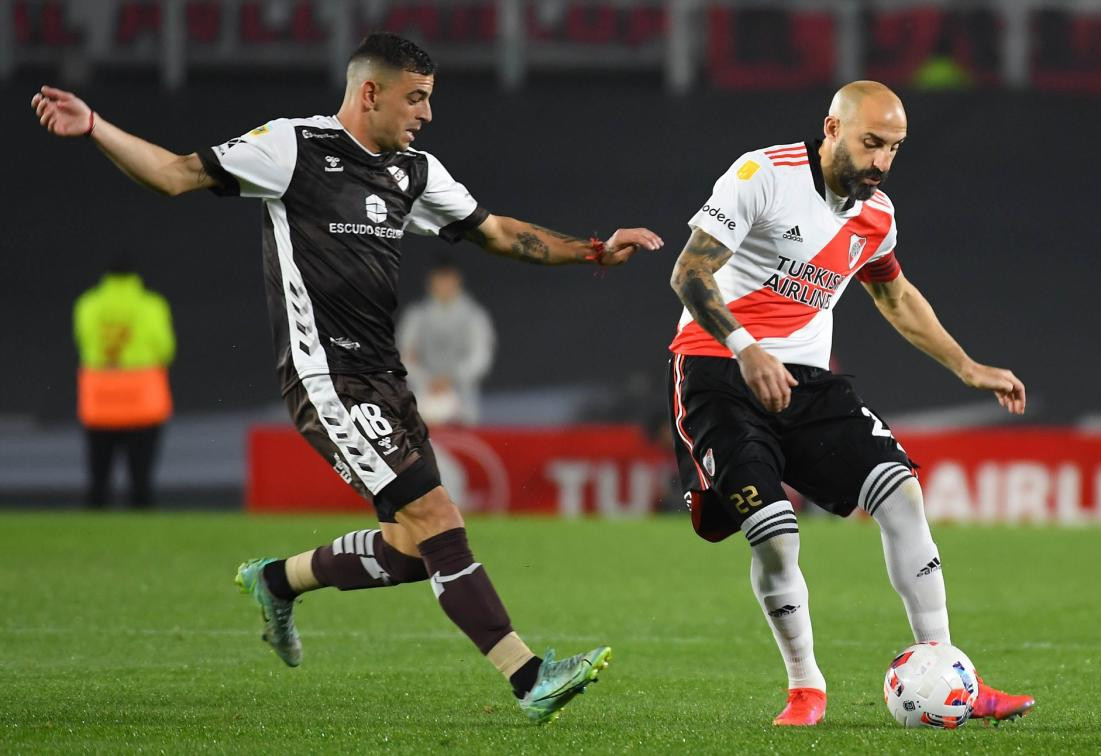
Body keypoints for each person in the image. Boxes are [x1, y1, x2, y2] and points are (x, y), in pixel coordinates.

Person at [32, 33, 663, 724]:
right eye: (415, 99)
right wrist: (95, 126)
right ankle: (529, 676)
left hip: (385, 378)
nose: (425, 114)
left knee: (413, 552)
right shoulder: (291, 147)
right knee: (438, 519)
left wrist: (594, 250)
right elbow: (174, 173)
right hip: (324, 375)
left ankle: (275, 580)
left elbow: (499, 232)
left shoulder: (413, 171)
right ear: (370, 93)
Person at [665, 80, 1034, 726]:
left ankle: (951, 675)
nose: (883, 162)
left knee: (902, 493)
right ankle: (806, 688)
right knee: (776, 538)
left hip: (807, 384)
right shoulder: (762, 175)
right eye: (872, 143)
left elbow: (895, 297)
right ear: (832, 128)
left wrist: (967, 366)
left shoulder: (876, 215)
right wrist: (748, 347)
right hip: (719, 372)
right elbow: (688, 272)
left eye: (894, 148)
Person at [74, 260, 175, 509]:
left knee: (98, 481)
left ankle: (91, 537)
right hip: (142, 401)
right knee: (141, 482)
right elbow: (165, 349)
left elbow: (83, 342)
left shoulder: (88, 304)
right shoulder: (152, 305)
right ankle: (146, 536)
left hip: (100, 401)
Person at [398, 258, 495, 425]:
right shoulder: (417, 316)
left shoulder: (474, 316)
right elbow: (403, 356)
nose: (444, 284)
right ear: (430, 282)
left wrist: (452, 378)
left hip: (463, 401)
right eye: (439, 279)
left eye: (448, 279)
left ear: (457, 280)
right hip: (423, 398)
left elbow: (481, 357)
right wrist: (427, 380)